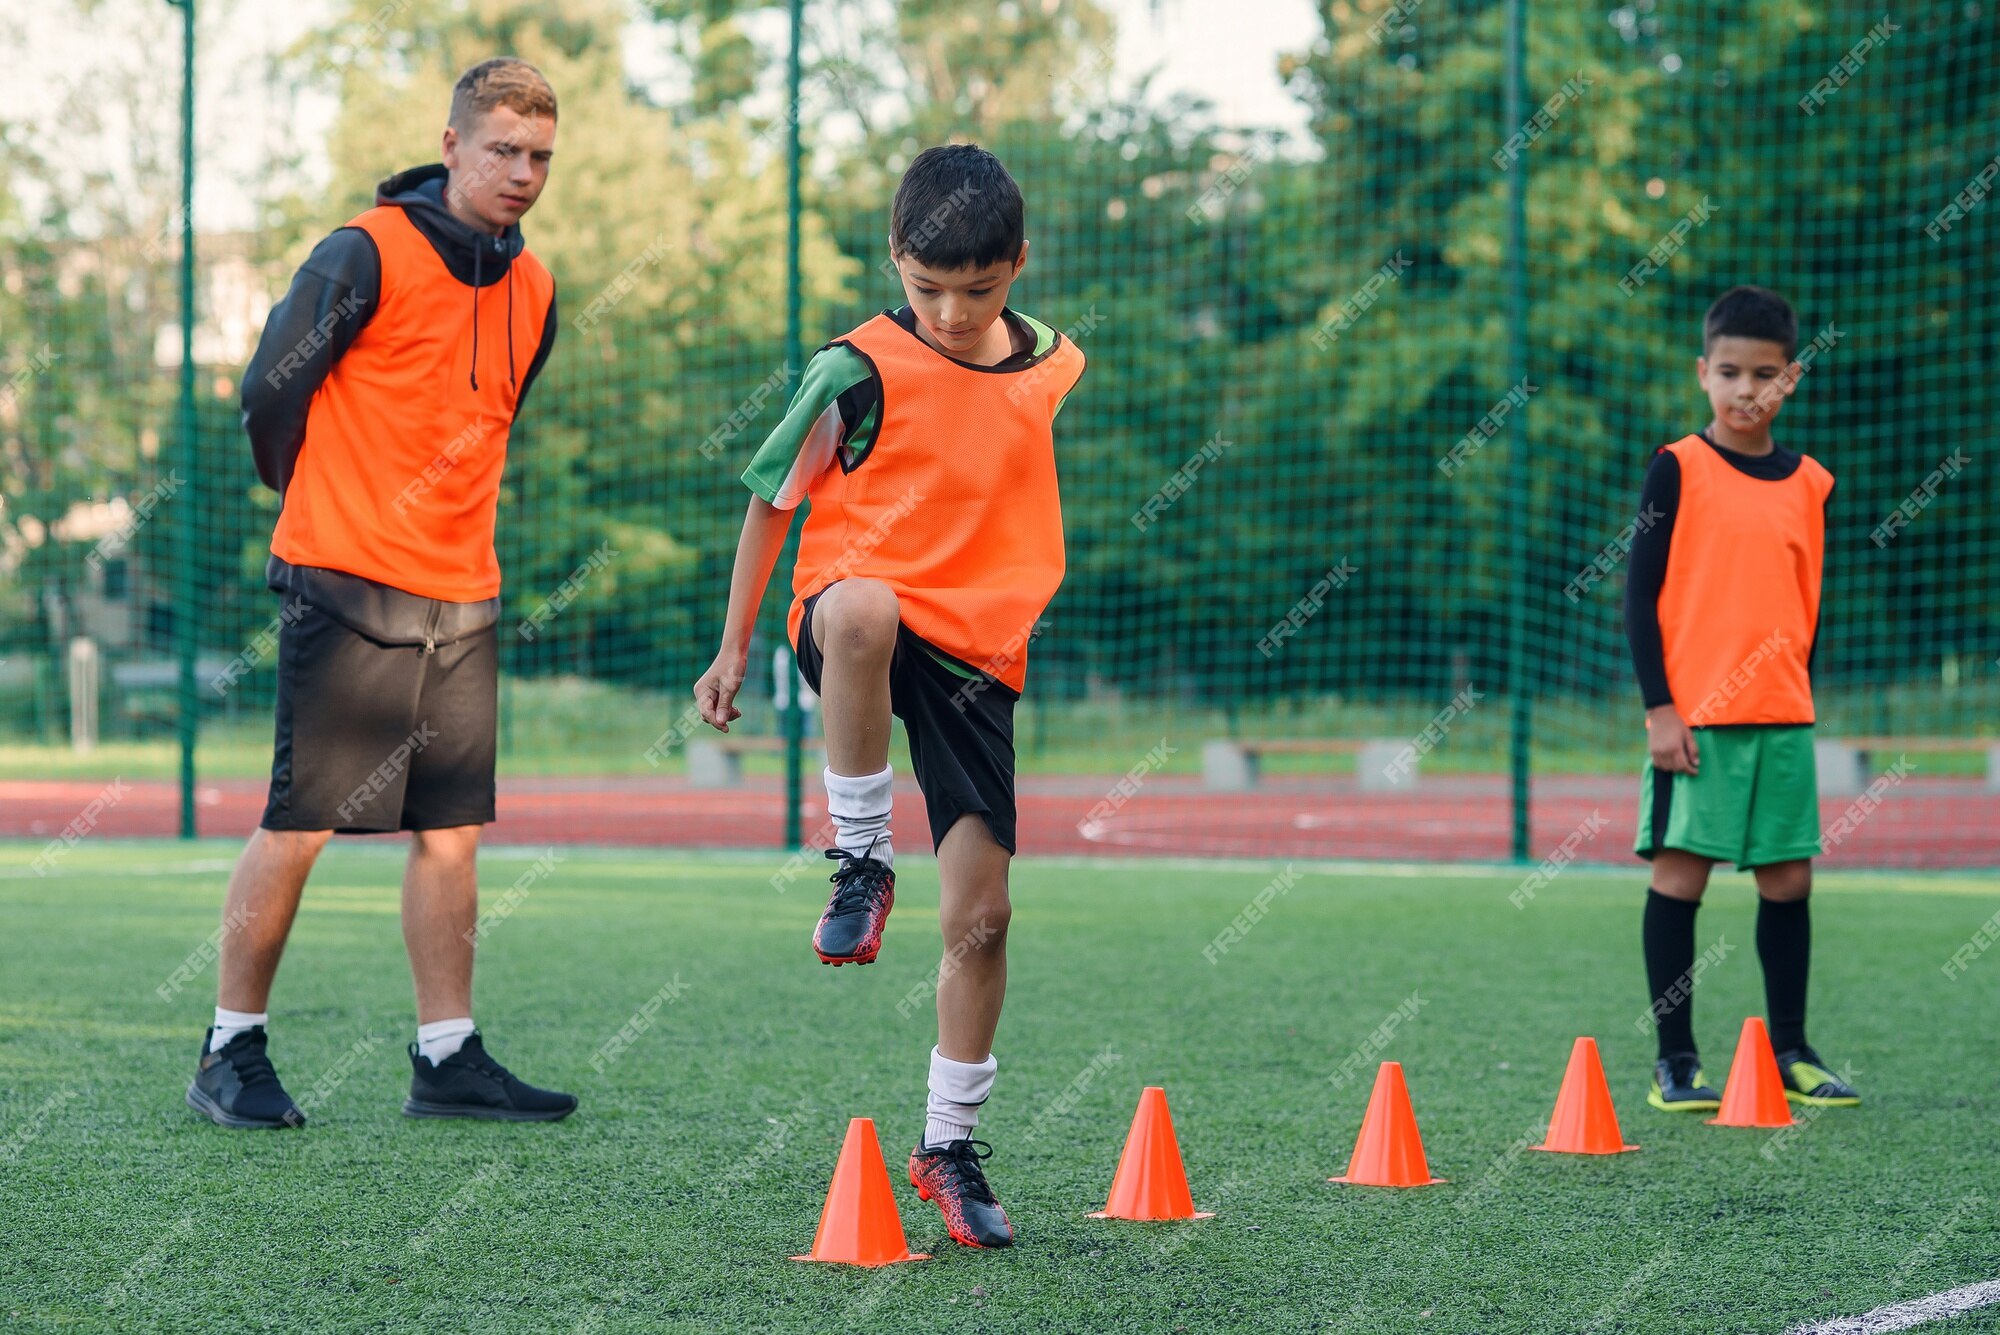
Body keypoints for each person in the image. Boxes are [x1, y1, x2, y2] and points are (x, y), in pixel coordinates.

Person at [693, 144, 1085, 1247]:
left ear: (1017, 263)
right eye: (926, 288)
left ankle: (948, 1149)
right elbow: (774, 501)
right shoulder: (852, 369)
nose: (952, 312)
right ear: (894, 262)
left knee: (982, 918)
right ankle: (860, 857)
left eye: (978, 288)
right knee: (861, 608)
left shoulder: (1054, 365)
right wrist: (730, 651)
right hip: (854, 611)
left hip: (975, 652)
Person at [190, 58, 574, 1129]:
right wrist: (312, 500)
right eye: (502, 149)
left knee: (451, 831)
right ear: (450, 147)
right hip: (344, 578)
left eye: (539, 156)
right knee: (302, 819)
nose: (522, 173)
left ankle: (446, 1058)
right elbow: (271, 388)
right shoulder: (363, 252)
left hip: (466, 591)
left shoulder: (536, 288)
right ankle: (230, 1048)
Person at [1624, 284, 1859, 1113]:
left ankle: (1792, 1048)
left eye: (1765, 374)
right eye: (1730, 373)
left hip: (1784, 718)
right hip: (1697, 723)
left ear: (1790, 378)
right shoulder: (1676, 467)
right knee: (1681, 880)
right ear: (1703, 374)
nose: (1746, 389)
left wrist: (1795, 688)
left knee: (1788, 884)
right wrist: (1660, 708)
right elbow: (1639, 596)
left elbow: (1807, 604)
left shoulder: (1812, 484)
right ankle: (1676, 1060)